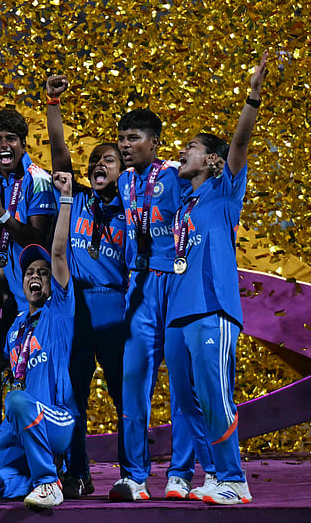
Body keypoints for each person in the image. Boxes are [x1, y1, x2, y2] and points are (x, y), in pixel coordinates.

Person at [166, 54, 269, 505]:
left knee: (215, 394)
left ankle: (234, 477)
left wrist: (252, 95)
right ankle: (214, 475)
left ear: (210, 158)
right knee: (189, 404)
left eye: (189, 147)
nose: (180, 152)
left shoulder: (223, 192)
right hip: (180, 315)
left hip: (214, 310)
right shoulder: (183, 203)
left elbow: (240, 142)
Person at [111, 108, 210, 501]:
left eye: (133, 137)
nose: (124, 145)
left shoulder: (175, 174)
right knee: (133, 383)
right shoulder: (122, 182)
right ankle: (135, 476)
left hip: (178, 284)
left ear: (154, 142)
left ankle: (181, 473)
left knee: (182, 385)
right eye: (121, 138)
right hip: (139, 287)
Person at [0, 177, 78, 510]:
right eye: (29, 272)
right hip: (18, 423)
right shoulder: (16, 327)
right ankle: (34, 479)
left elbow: (57, 253)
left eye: (42, 273)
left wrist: (66, 198)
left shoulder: (59, 312)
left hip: (55, 419)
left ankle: (48, 482)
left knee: (16, 400)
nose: (35, 277)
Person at [43, 76, 129, 497]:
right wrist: (54, 102)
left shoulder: (134, 209)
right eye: (94, 159)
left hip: (116, 311)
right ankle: (77, 472)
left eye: (108, 160)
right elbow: (60, 152)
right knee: (72, 397)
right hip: (75, 311)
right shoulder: (74, 199)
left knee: (122, 396)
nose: (98, 164)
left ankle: (131, 473)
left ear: (124, 171)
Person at [0, 108, 56, 316]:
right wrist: (4, 292)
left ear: (23, 144)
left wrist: (3, 215)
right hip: (11, 298)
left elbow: (37, 240)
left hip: (43, 300)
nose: (4, 145)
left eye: (11, 139)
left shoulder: (38, 180)